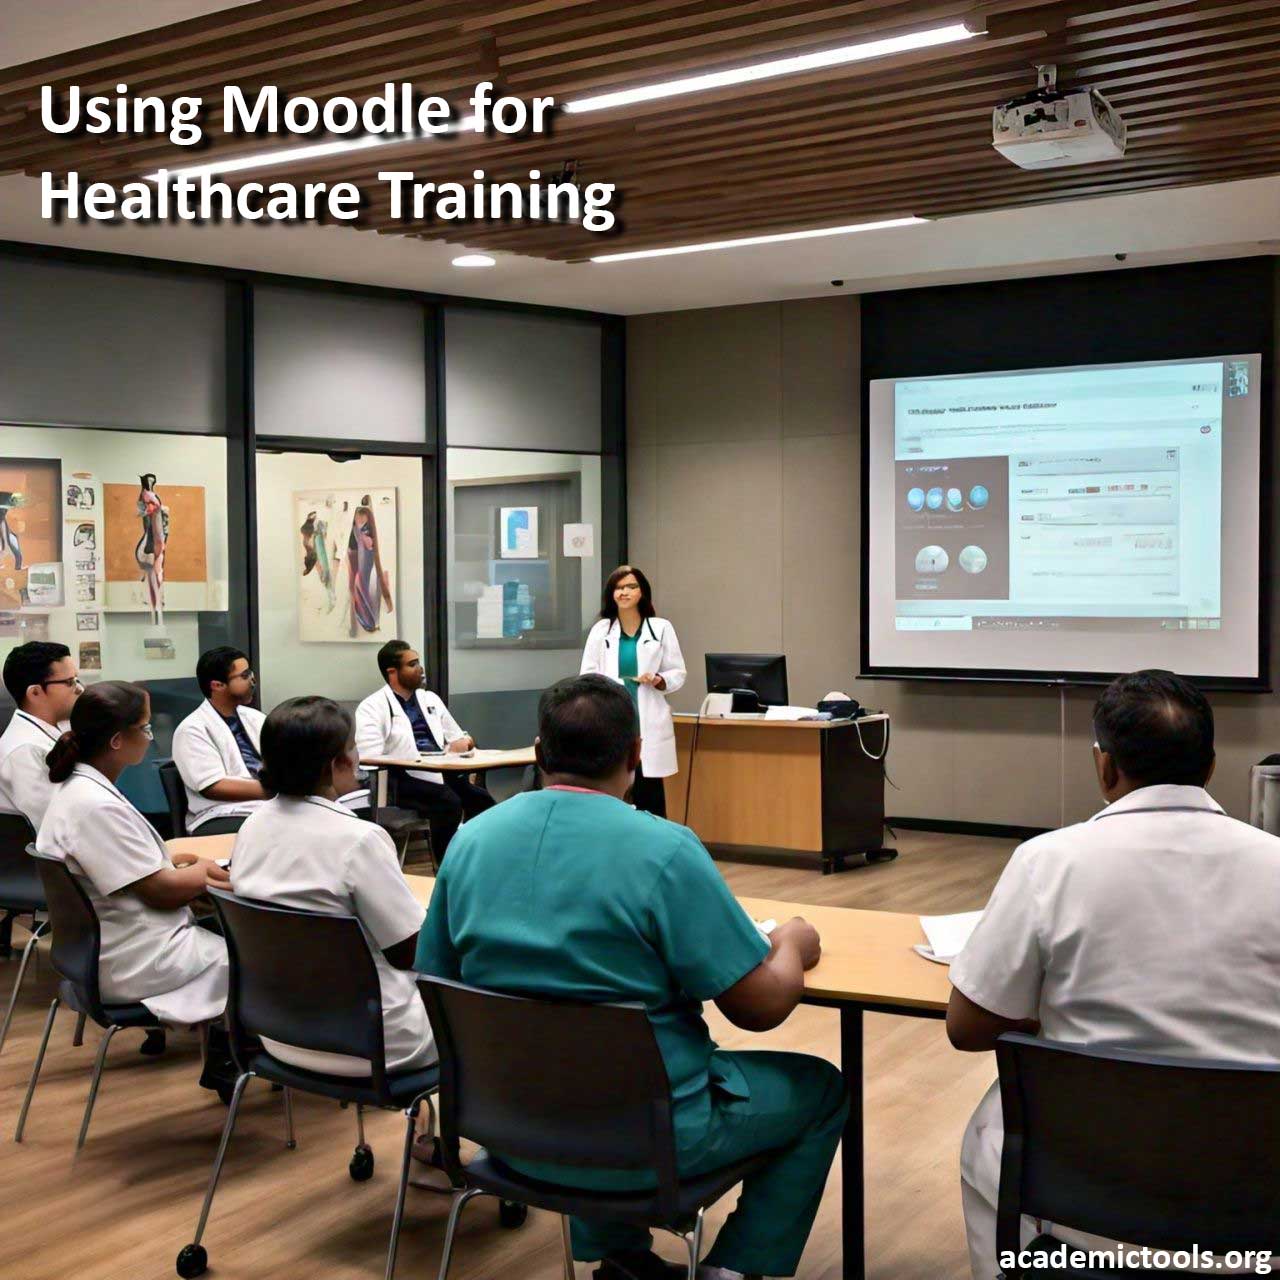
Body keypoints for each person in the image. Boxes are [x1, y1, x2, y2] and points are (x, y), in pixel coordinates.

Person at [417, 674, 847, 1280]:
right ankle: (735, 1270)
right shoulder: (664, 850)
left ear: (539, 753)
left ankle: (619, 1260)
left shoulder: (470, 842)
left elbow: (436, 979)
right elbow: (759, 1007)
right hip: (650, 1138)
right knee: (822, 1089)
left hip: (506, 1129)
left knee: (571, 1056)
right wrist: (792, 943)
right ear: (637, 755)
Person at [947, 670, 1280, 1279]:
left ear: (1105, 769)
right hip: (1255, 1216)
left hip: (1075, 1212)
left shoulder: (1047, 862)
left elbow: (968, 1026)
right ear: (1209, 768)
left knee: (993, 1133)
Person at [35, 681, 232, 1088]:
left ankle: (228, 1054)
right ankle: (233, 1063)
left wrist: (171, 861)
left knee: (227, 932)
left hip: (108, 947)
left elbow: (127, 868)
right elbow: (158, 891)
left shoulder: (84, 789)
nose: (150, 736)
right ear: (116, 740)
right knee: (255, 955)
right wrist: (203, 871)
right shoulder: (94, 805)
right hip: (139, 957)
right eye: (144, 728)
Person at [230, 695, 435, 1079]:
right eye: (353, 747)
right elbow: (409, 953)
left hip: (282, 1033)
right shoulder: (359, 839)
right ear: (338, 763)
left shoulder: (251, 828)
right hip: (373, 1042)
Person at [354, 640, 493, 856]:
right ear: (392, 673)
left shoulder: (430, 699)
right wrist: (415, 760)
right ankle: (445, 865)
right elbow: (368, 757)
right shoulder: (372, 707)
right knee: (449, 802)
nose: (421, 669)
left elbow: (458, 737)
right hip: (399, 779)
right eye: (412, 664)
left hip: (439, 771)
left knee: (481, 800)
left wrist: (464, 742)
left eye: (419, 663)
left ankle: (479, 856)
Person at [580, 565, 685, 816]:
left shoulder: (660, 627)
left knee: (650, 794)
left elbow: (677, 672)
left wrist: (658, 679)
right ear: (611, 593)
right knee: (610, 789)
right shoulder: (602, 630)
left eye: (631, 586)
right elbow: (587, 673)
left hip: (647, 715)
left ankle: (655, 846)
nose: (624, 592)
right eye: (618, 587)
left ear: (642, 592)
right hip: (612, 715)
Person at [172, 647, 268, 834]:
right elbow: (213, 787)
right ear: (217, 685)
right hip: (220, 814)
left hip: (264, 807)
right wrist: (277, 789)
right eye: (244, 676)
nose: (253, 680)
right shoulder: (192, 729)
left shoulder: (255, 717)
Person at [0, 641, 81, 831]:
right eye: (70, 682)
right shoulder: (24, 750)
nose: (79, 689)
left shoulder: (59, 728)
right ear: (35, 692)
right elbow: (55, 827)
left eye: (77, 680)